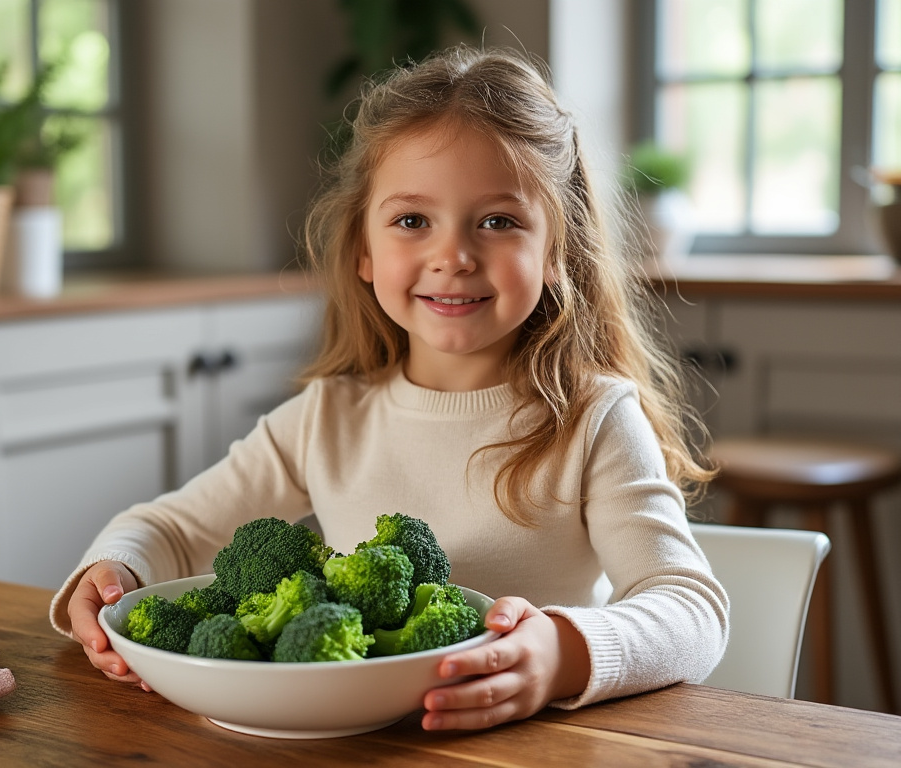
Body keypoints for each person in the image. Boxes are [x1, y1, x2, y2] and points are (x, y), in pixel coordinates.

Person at [51, 45, 728, 731]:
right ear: (363, 253)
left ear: (555, 254)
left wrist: (559, 655)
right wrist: (114, 572)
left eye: (498, 221)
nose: (453, 255)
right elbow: (171, 527)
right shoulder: (326, 419)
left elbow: (690, 609)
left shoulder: (594, 420)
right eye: (412, 221)